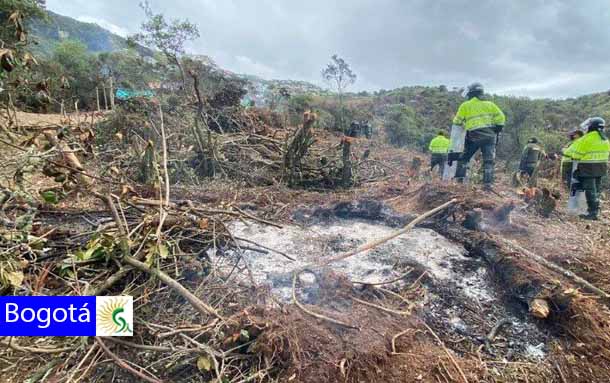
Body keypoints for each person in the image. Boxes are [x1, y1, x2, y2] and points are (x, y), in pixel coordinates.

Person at [453, 83, 506, 190]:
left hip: (473, 136)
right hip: (490, 136)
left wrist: (465, 124)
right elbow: (501, 118)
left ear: (471, 93)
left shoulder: (465, 105)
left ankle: (459, 181)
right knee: (488, 161)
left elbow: (456, 121)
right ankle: (487, 185)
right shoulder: (490, 105)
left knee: (464, 158)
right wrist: (496, 129)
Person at [566, 117, 610, 220]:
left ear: (591, 127)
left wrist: (567, 153)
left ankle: (592, 213)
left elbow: (576, 154)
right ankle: (595, 211)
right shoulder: (605, 139)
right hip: (601, 168)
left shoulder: (587, 138)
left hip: (588, 168)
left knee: (590, 190)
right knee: (597, 190)